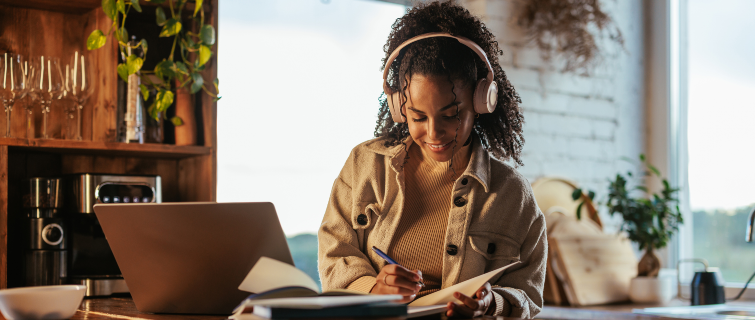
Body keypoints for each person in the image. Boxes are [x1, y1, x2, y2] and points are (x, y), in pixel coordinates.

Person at [317, 1, 546, 318]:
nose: (435, 132)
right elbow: (334, 252)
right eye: (418, 116)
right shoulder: (364, 164)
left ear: (482, 100)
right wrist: (373, 288)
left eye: (451, 115)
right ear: (399, 107)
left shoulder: (512, 196)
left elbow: (529, 295)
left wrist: (490, 304)